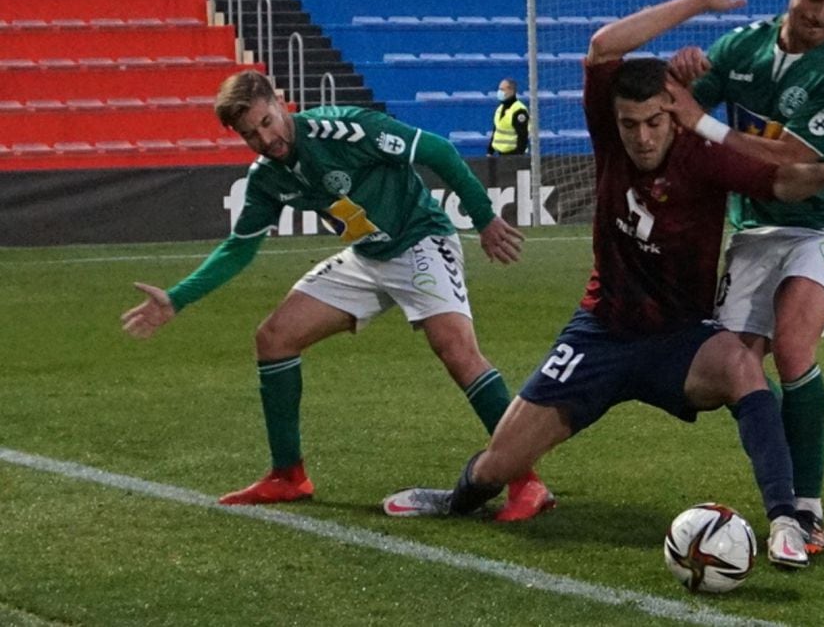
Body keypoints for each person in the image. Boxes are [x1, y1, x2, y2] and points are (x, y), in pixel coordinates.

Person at [381, 0, 824, 570]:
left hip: (678, 341)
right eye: (629, 123)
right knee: (500, 464)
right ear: (614, 123)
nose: (641, 136)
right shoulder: (615, 135)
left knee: (745, 367)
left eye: (655, 121)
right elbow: (602, 46)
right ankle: (455, 499)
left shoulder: (705, 154)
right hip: (601, 332)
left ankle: (788, 519)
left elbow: (786, 179)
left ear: (674, 113)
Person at [120, 69, 553, 520]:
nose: (265, 139)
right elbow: (238, 248)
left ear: (279, 102)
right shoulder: (268, 176)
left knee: (457, 350)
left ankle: (527, 481)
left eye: (267, 122)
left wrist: (484, 219)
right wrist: (177, 298)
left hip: (420, 239)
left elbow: (438, 151)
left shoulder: (344, 129)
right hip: (367, 256)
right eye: (250, 134)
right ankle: (288, 476)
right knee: (274, 338)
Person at [664, 0, 824, 554]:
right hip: (754, 231)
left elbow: (790, 161)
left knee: (791, 345)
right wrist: (683, 71)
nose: (818, 15)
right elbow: (679, 105)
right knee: (730, 369)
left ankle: (804, 507)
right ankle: (779, 495)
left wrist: (700, 119)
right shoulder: (742, 48)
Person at [486, 77, 529, 156]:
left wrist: (518, 156)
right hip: (500, 154)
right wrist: (490, 151)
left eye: (502, 90)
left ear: (511, 91)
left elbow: (522, 136)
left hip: (513, 155)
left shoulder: (519, 110)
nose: (499, 92)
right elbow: (496, 130)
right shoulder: (500, 108)